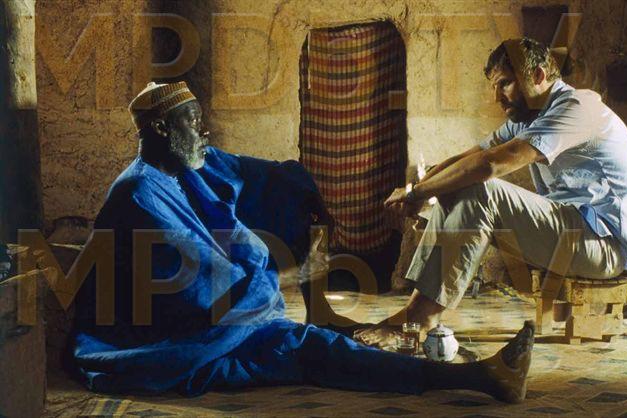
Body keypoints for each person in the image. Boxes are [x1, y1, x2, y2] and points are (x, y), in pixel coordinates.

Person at [68, 80, 535, 402]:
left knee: (314, 335)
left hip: (212, 318)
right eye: (193, 122)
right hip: (172, 340)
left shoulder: (181, 167)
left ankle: (470, 373)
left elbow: (253, 172)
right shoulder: (140, 194)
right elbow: (198, 293)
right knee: (311, 348)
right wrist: (286, 278)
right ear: (161, 129)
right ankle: (479, 377)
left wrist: (307, 197)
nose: (203, 131)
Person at [355, 37, 627, 347]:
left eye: (505, 84)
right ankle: (416, 308)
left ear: (538, 75)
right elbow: (467, 159)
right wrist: (416, 191)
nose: (497, 96)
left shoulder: (578, 108)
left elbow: (491, 164)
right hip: (571, 237)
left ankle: (420, 318)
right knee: (456, 185)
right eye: (495, 87)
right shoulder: (528, 119)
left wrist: (416, 195)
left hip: (603, 247)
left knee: (482, 189)